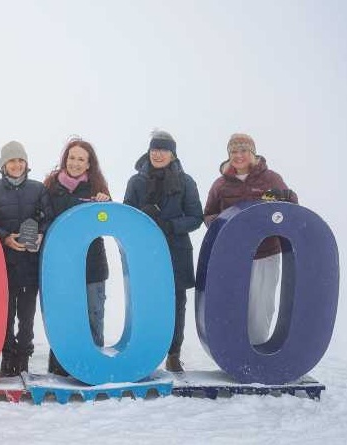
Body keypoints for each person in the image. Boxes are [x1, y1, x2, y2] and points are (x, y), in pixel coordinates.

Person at [203, 133, 298, 345]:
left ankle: (257, 349)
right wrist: (221, 221)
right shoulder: (220, 184)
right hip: (234, 255)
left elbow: (292, 205)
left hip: (266, 253)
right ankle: (234, 350)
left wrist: (286, 196)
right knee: (234, 301)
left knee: (261, 304)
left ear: (252, 153)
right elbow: (208, 215)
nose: (238, 156)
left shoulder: (271, 178)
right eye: (233, 151)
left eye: (243, 150)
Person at [123, 130, 203, 373]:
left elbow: (196, 217)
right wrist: (142, 219)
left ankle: (173, 353)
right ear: (149, 151)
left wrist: (170, 225)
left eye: (164, 149)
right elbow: (126, 217)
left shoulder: (186, 181)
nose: (158, 154)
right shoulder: (136, 181)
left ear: (173, 153)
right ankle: (145, 351)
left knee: (177, 302)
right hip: (145, 252)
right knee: (146, 301)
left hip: (176, 250)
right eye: (155, 149)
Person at [0, 141, 53, 377]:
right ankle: (7, 357)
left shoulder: (38, 189)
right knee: (5, 316)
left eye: (21, 160)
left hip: (30, 264)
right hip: (3, 265)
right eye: (12, 160)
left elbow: (48, 218)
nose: (17, 164)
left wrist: (41, 233)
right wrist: (5, 238)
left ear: (26, 163)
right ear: (3, 165)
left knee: (27, 316)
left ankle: (23, 358)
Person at [43, 138, 111, 376]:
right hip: (62, 265)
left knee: (93, 315)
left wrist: (106, 204)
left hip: (92, 265)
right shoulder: (51, 186)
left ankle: (93, 369)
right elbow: (44, 218)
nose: (75, 163)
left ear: (89, 164)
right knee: (64, 317)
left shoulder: (97, 189)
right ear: (65, 159)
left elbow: (108, 222)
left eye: (81, 159)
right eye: (72, 157)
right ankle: (60, 368)